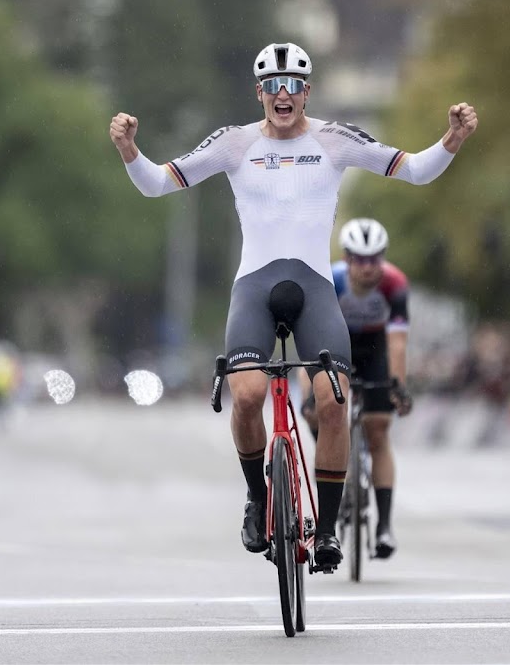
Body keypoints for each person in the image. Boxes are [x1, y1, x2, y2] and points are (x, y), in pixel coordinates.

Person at [109, 42, 477, 570]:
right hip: (254, 287)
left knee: (332, 402)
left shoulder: (334, 140)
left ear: (307, 91)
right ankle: (258, 501)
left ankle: (326, 530)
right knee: (248, 395)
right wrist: (129, 150)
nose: (283, 95)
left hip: (313, 289)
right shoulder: (233, 145)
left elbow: (414, 170)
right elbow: (157, 184)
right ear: (259, 93)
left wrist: (452, 139)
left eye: (294, 86)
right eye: (273, 86)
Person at [297, 217, 413, 559]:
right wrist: (308, 394)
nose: (368, 267)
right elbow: (311, 347)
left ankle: (384, 525)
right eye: (360, 259)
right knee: (321, 412)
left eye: (375, 258)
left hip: (376, 348)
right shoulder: (331, 282)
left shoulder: (395, 284)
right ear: (347, 259)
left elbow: (398, 344)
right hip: (336, 345)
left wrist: (398, 386)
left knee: (378, 430)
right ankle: (332, 460)